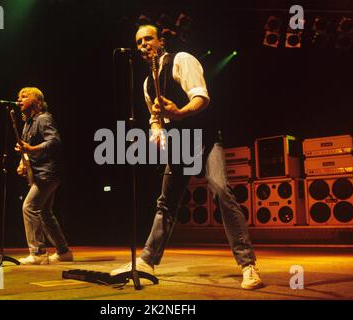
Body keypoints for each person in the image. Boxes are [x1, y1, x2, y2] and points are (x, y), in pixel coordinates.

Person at [111, 25, 262, 289]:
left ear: (160, 41)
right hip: (180, 143)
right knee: (166, 203)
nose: (143, 44)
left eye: (148, 38)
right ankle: (146, 260)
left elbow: (201, 98)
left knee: (220, 190)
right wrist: (156, 132)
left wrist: (179, 112)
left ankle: (248, 265)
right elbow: (155, 117)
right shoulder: (148, 82)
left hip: (204, 138)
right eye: (138, 42)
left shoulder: (182, 60)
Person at [14, 87, 73, 265]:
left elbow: (54, 141)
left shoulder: (43, 118)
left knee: (29, 207)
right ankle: (63, 252)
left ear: (37, 102)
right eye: (18, 97)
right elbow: (26, 149)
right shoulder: (28, 123)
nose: (19, 99)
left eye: (24, 96)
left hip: (48, 173)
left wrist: (32, 149)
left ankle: (38, 253)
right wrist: (22, 163)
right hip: (39, 173)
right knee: (45, 212)